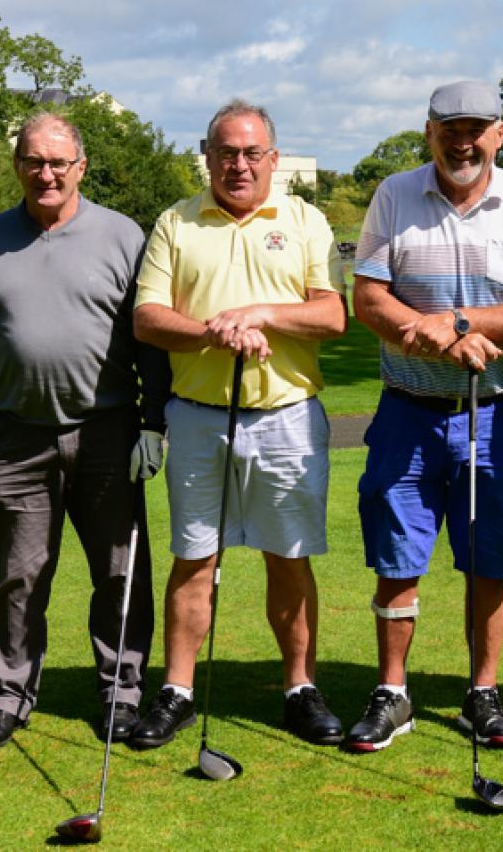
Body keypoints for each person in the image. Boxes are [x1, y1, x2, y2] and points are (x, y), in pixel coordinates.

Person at [0, 111, 172, 752]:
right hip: (15, 435)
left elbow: (150, 339)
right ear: (18, 166)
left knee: (121, 573)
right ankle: (7, 697)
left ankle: (121, 692)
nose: (46, 173)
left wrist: (154, 421)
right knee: (16, 576)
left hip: (109, 430)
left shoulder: (123, 236)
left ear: (81, 167)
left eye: (58, 162)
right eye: (33, 162)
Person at [344, 81, 503, 753]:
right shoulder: (394, 194)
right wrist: (430, 335)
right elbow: (370, 298)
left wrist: (461, 322)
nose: (462, 141)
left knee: (488, 556)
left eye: (477, 128)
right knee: (397, 555)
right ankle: (392, 690)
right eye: (449, 128)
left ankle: (482, 691)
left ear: (500, 132)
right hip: (407, 409)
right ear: (429, 131)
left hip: (493, 413)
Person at [129, 99, 347, 748]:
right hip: (198, 418)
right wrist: (210, 330)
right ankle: (178, 690)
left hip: (287, 418)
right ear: (208, 155)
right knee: (194, 557)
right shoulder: (176, 221)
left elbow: (332, 316)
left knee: (290, 559)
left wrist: (258, 313)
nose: (239, 163)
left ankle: (300, 687)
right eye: (226, 152)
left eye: (252, 152)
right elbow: (146, 318)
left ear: (274, 160)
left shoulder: (305, 220)